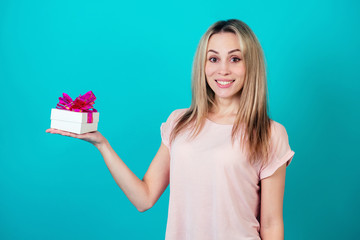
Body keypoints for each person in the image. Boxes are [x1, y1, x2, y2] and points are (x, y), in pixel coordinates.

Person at [47, 19, 295, 240]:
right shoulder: (180, 123)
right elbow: (143, 198)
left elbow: (271, 224)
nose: (223, 70)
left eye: (235, 58)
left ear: (250, 65)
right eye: (213, 58)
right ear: (203, 65)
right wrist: (102, 144)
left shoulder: (270, 133)